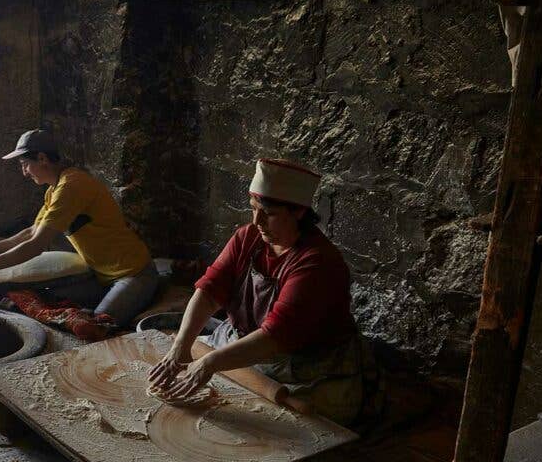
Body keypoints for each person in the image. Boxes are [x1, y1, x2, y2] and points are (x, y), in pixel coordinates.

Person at [148, 158, 374, 425]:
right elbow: (209, 292)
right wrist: (179, 346)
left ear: (299, 212)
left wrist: (209, 364)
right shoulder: (248, 238)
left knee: (294, 427)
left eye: (269, 213)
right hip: (244, 342)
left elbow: (274, 337)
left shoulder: (317, 263)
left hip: (306, 368)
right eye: (253, 209)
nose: (257, 221)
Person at [0, 129, 159, 330]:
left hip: (134, 273)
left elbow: (35, 245)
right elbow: (31, 232)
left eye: (25, 164)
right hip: (100, 275)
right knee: (42, 297)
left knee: (95, 326)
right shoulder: (53, 190)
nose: (24, 172)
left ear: (42, 158)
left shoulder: (71, 186)